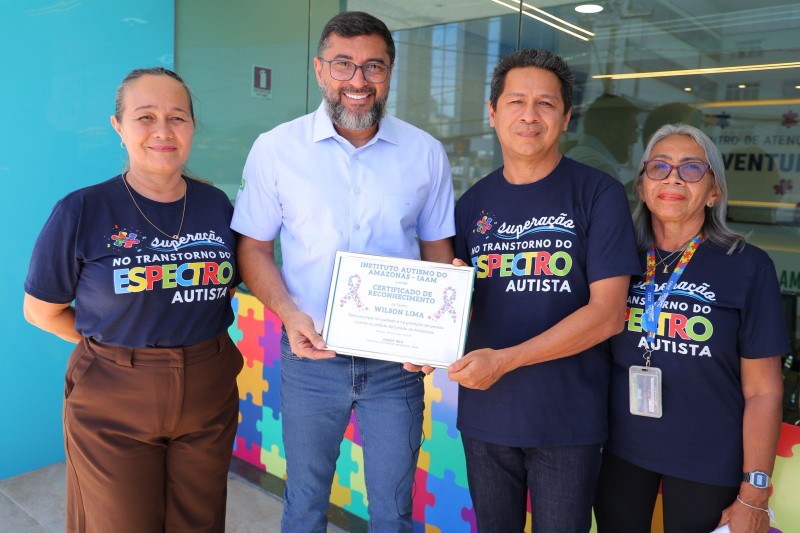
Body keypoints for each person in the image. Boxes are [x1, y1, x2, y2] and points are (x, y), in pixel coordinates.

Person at [231, 11, 455, 533]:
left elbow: (439, 251)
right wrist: (289, 315)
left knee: (393, 512)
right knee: (305, 503)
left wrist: (435, 335)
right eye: (343, 65)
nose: (358, 80)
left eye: (373, 66)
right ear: (318, 70)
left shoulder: (424, 153)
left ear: (390, 72)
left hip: (394, 365)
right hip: (311, 357)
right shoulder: (276, 149)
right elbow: (254, 249)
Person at [22, 67, 243, 533]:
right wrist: (115, 353)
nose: (163, 130)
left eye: (177, 117)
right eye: (145, 116)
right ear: (118, 127)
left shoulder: (217, 205)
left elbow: (234, 281)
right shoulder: (82, 210)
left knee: (200, 523)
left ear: (192, 128)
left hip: (208, 393)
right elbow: (41, 311)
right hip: (113, 400)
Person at [448, 49, 640, 532]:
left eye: (546, 104)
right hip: (487, 416)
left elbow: (608, 313)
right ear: (492, 113)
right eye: (516, 101)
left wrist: (505, 360)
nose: (529, 115)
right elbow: (460, 308)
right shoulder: (471, 205)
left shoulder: (598, 194)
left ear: (566, 117)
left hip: (567, 422)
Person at [593, 123, 786, 533]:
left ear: (713, 191)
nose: (674, 177)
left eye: (692, 168)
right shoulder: (614, 257)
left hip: (707, 459)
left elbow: (764, 390)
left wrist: (755, 490)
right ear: (643, 186)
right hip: (618, 452)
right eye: (659, 167)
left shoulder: (748, 267)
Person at [565, 93, 639, 181]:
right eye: (632, 130)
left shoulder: (574, 155)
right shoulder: (602, 169)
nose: (635, 140)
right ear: (614, 130)